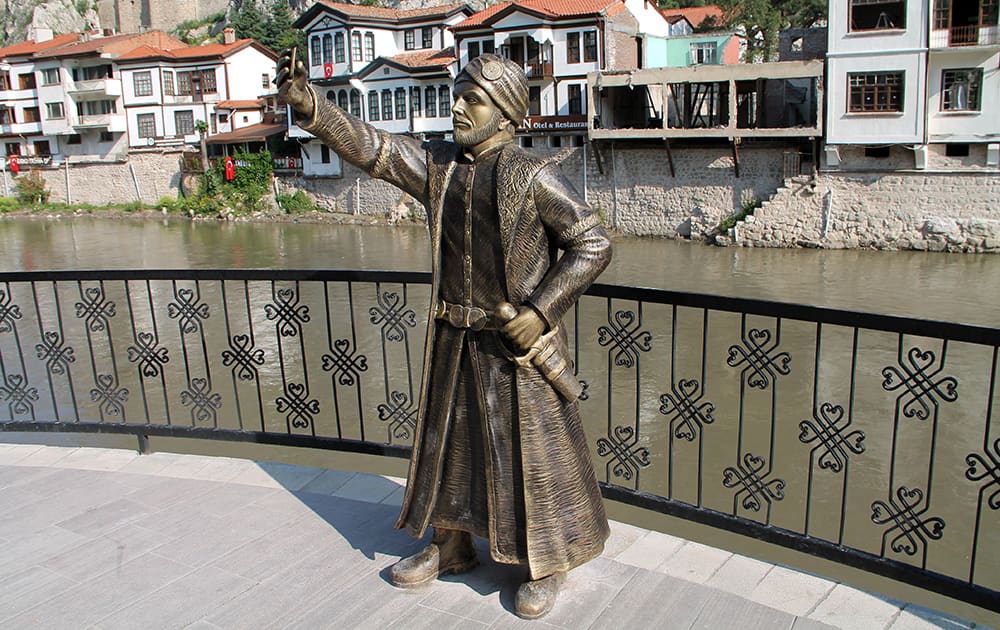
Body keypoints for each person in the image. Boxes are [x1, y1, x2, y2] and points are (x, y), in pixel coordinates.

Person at [276, 51, 612, 619]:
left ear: (504, 112)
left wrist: (541, 309)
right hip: (454, 340)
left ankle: (543, 562)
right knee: (450, 449)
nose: (456, 106)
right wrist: (312, 107)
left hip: (513, 347)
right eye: (458, 93)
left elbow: (593, 243)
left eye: (472, 98)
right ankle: (450, 544)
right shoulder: (441, 169)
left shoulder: (532, 176)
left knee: (532, 455)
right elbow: (375, 149)